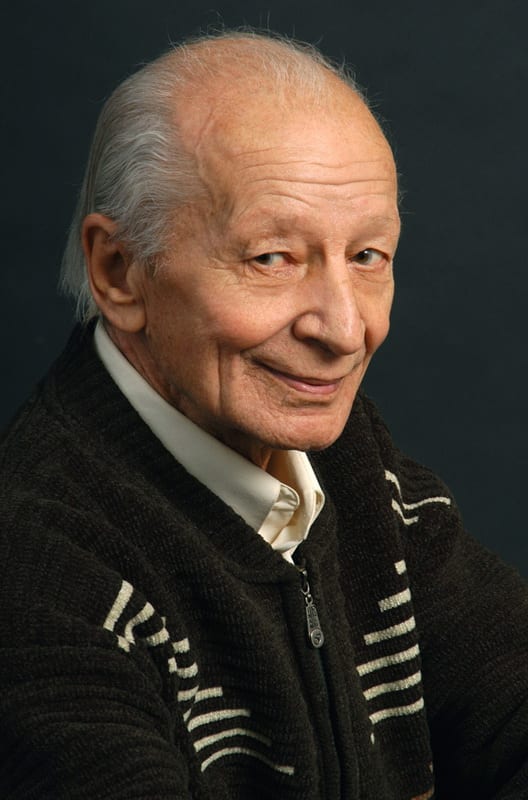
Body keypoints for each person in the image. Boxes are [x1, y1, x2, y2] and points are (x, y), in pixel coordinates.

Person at [1, 31, 527, 800]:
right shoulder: (37, 578)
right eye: (271, 258)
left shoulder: (354, 470)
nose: (344, 330)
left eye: (367, 257)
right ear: (119, 272)